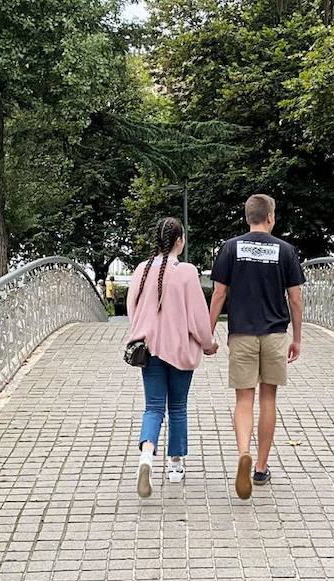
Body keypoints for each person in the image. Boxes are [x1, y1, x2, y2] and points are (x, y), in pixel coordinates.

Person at [208, 194, 305, 499]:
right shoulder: (286, 251)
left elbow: (219, 294)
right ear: (271, 217)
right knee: (268, 400)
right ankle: (261, 468)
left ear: (247, 217)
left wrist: (207, 333)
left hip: (242, 334)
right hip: (275, 334)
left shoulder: (231, 247)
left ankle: (242, 454)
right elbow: (296, 300)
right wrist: (297, 338)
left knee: (243, 400)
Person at [126, 217, 218, 498]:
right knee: (177, 408)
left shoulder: (141, 269)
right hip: (179, 350)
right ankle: (175, 465)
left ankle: (146, 455)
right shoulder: (187, 272)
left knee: (153, 407)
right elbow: (197, 316)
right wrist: (208, 343)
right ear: (179, 241)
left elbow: (132, 308)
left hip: (149, 349)